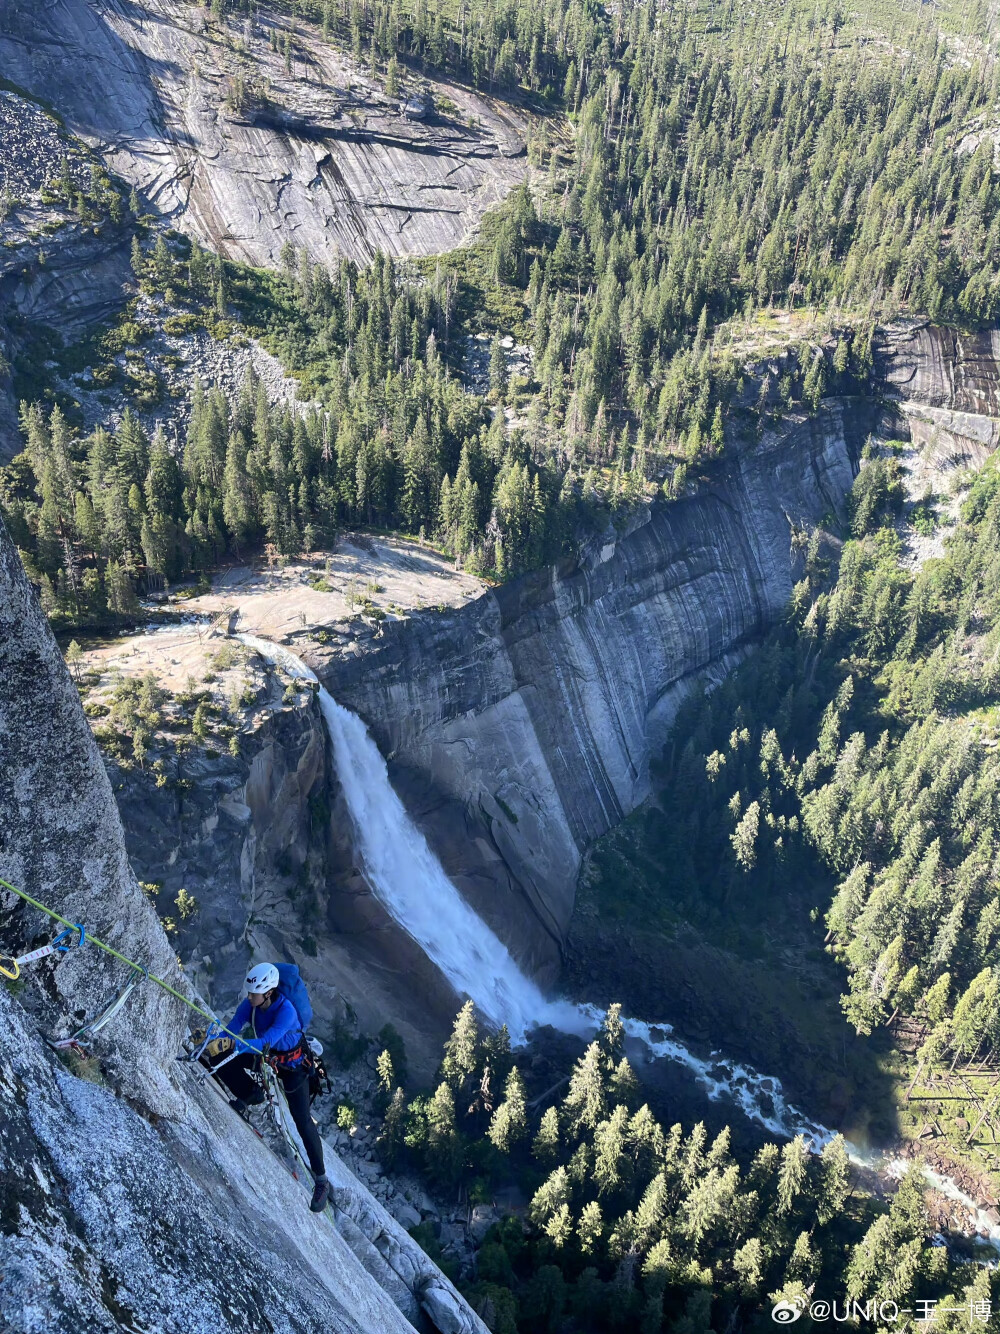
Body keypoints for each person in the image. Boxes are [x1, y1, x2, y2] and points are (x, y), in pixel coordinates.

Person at [214, 962, 331, 1213]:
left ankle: (321, 1181)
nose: (249, 997)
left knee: (301, 1120)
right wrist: (218, 1038)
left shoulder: (286, 1011)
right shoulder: (250, 1005)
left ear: (268, 992)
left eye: (253, 993)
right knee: (218, 1057)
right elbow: (234, 1026)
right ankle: (249, 1093)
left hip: (293, 1066)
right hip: (266, 1056)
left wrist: (235, 1045)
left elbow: (267, 1040)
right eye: (249, 993)